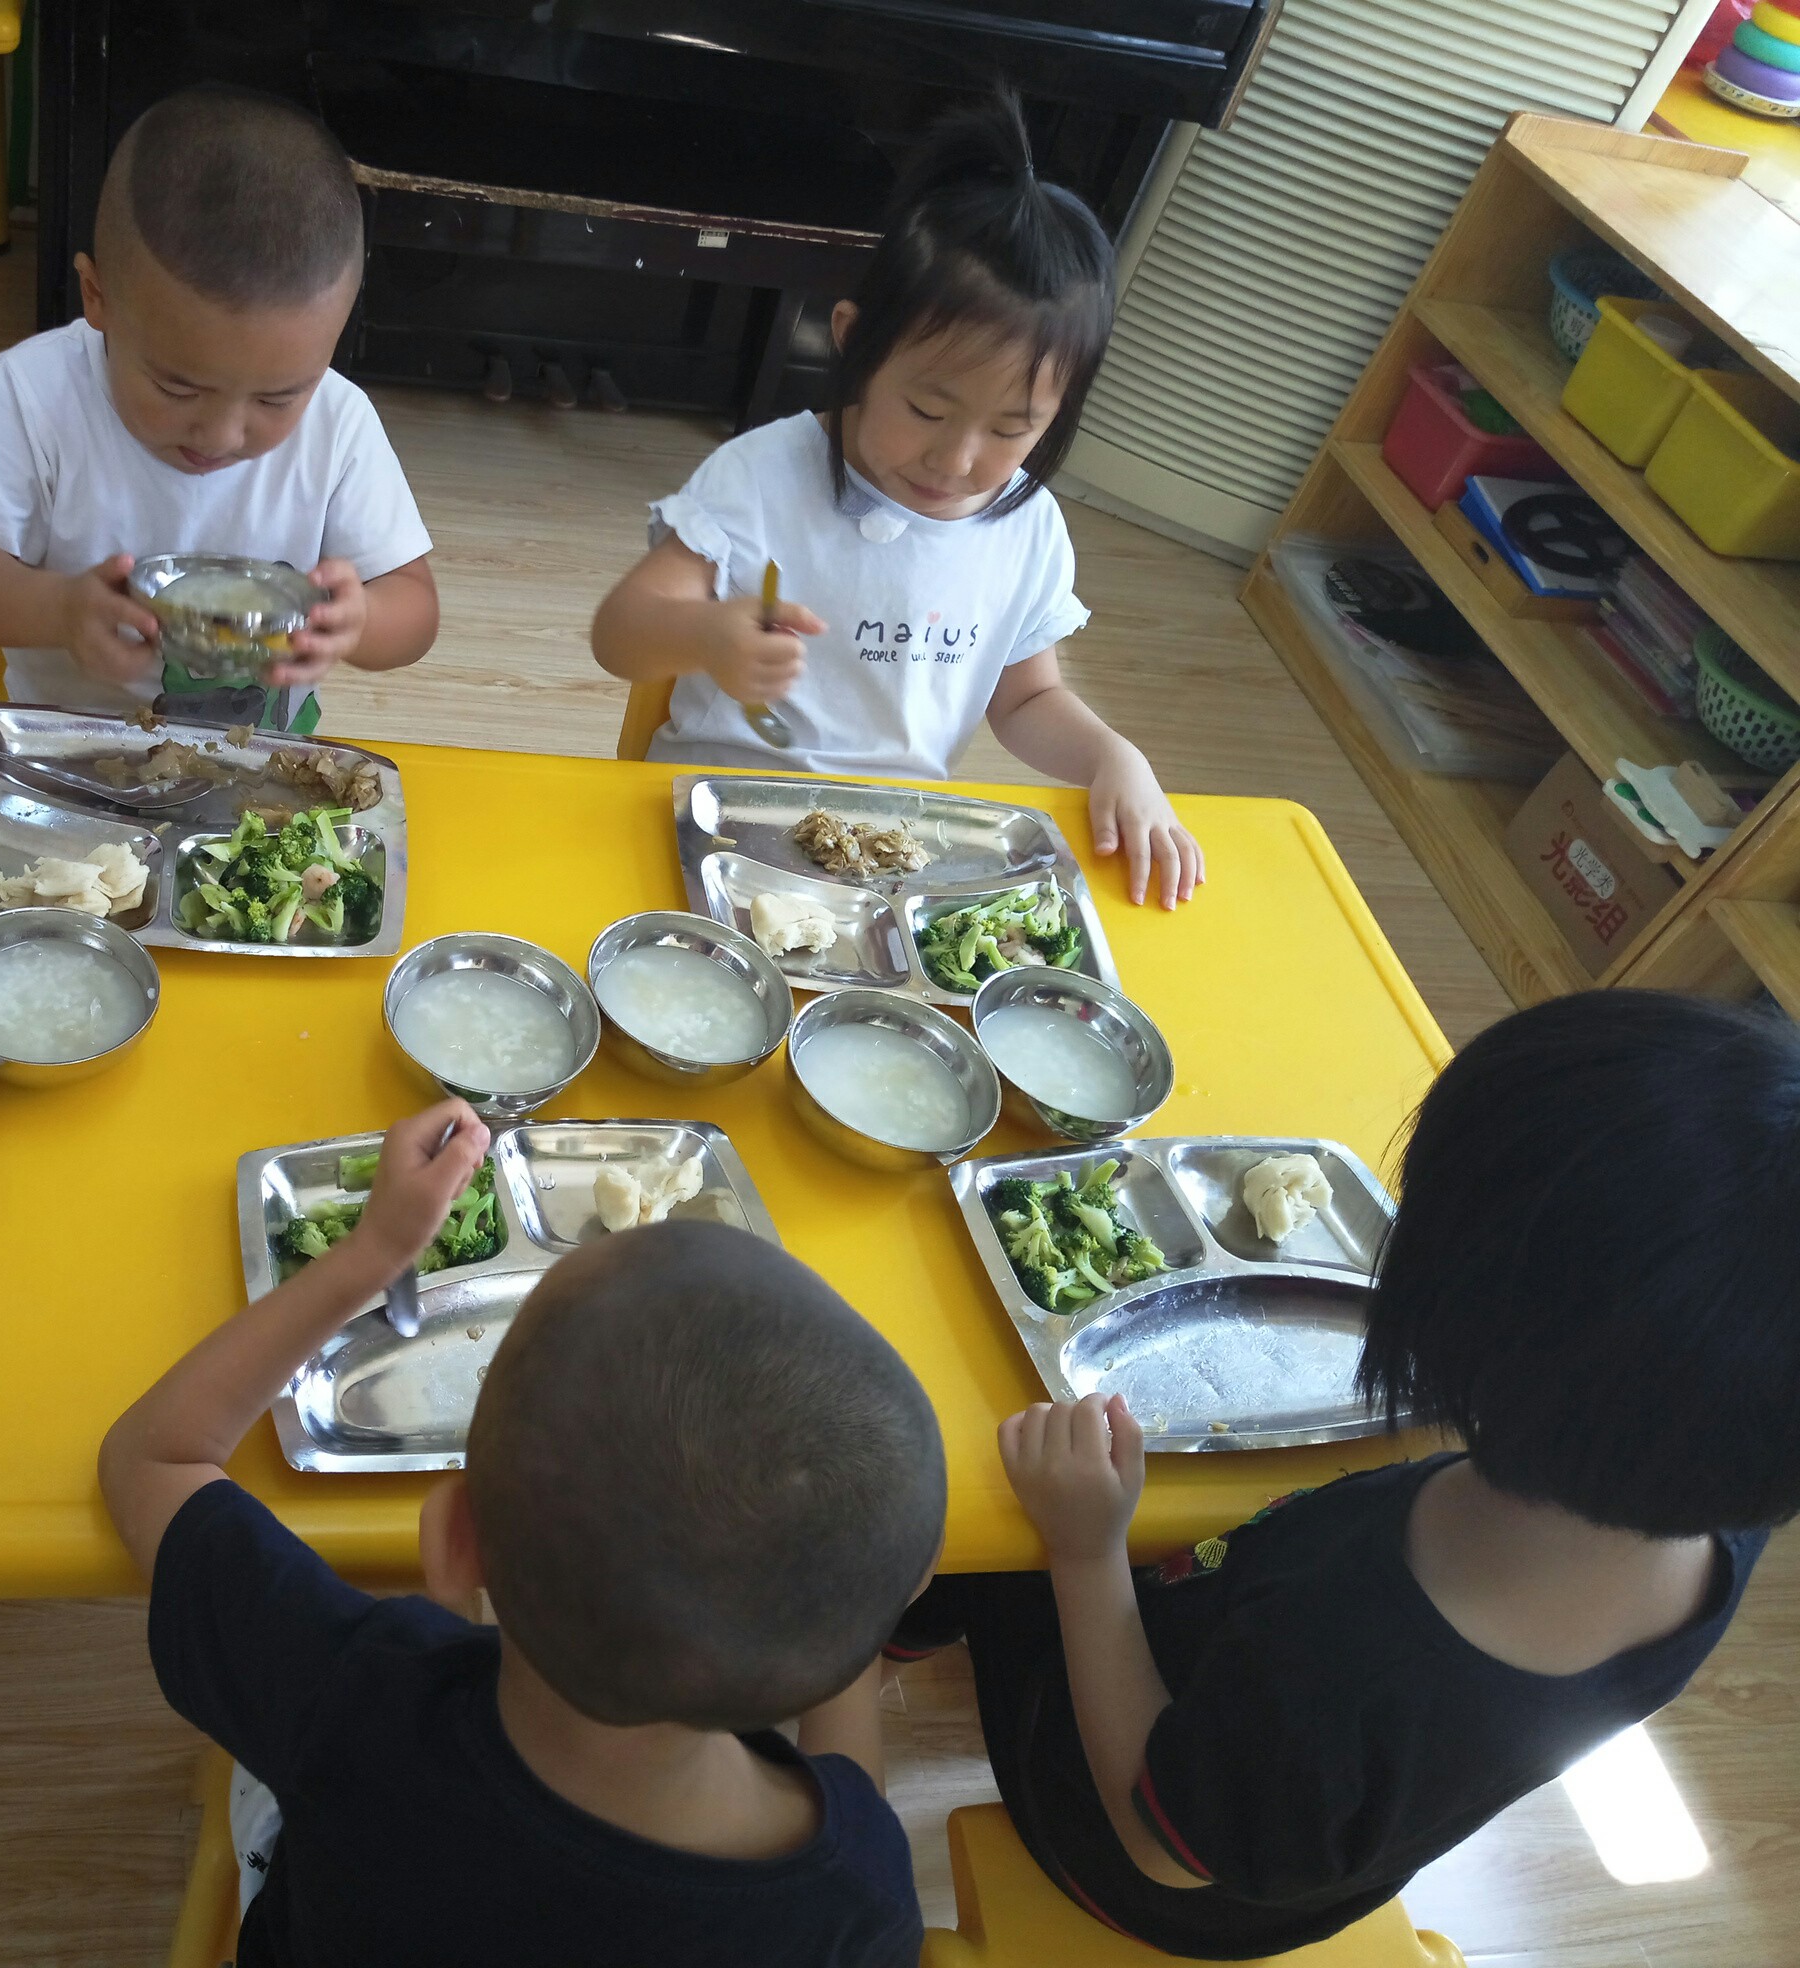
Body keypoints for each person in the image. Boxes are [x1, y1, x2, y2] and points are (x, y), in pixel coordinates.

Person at [890, 989, 1792, 1957]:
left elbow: (1158, 1846)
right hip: (1253, 1742)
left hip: (1123, 1854)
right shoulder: (1714, 1492)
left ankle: (873, 1638)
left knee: (973, 1513)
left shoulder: (1343, 1675)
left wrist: (1084, 1554)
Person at [99, 1101, 945, 1966]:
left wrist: (374, 1252)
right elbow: (850, 1809)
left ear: (452, 1541)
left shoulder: (359, 1697)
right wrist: (849, 1592)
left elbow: (152, 1460)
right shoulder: (863, 1899)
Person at [591, 93, 1203, 910]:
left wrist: (1113, 757)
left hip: (885, 854)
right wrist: (702, 634)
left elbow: (1027, 698)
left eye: (1012, 428)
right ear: (853, 341)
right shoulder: (760, 479)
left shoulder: (1026, 528)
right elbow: (618, 636)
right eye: (925, 409)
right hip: (719, 826)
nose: (957, 460)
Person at [0, 84, 438, 737]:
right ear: (97, 297)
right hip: (66, 754)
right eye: (177, 388)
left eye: (277, 398)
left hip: (257, 762)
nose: (222, 435)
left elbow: (415, 609)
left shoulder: (340, 424)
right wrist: (60, 609)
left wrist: (358, 623)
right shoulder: (36, 393)